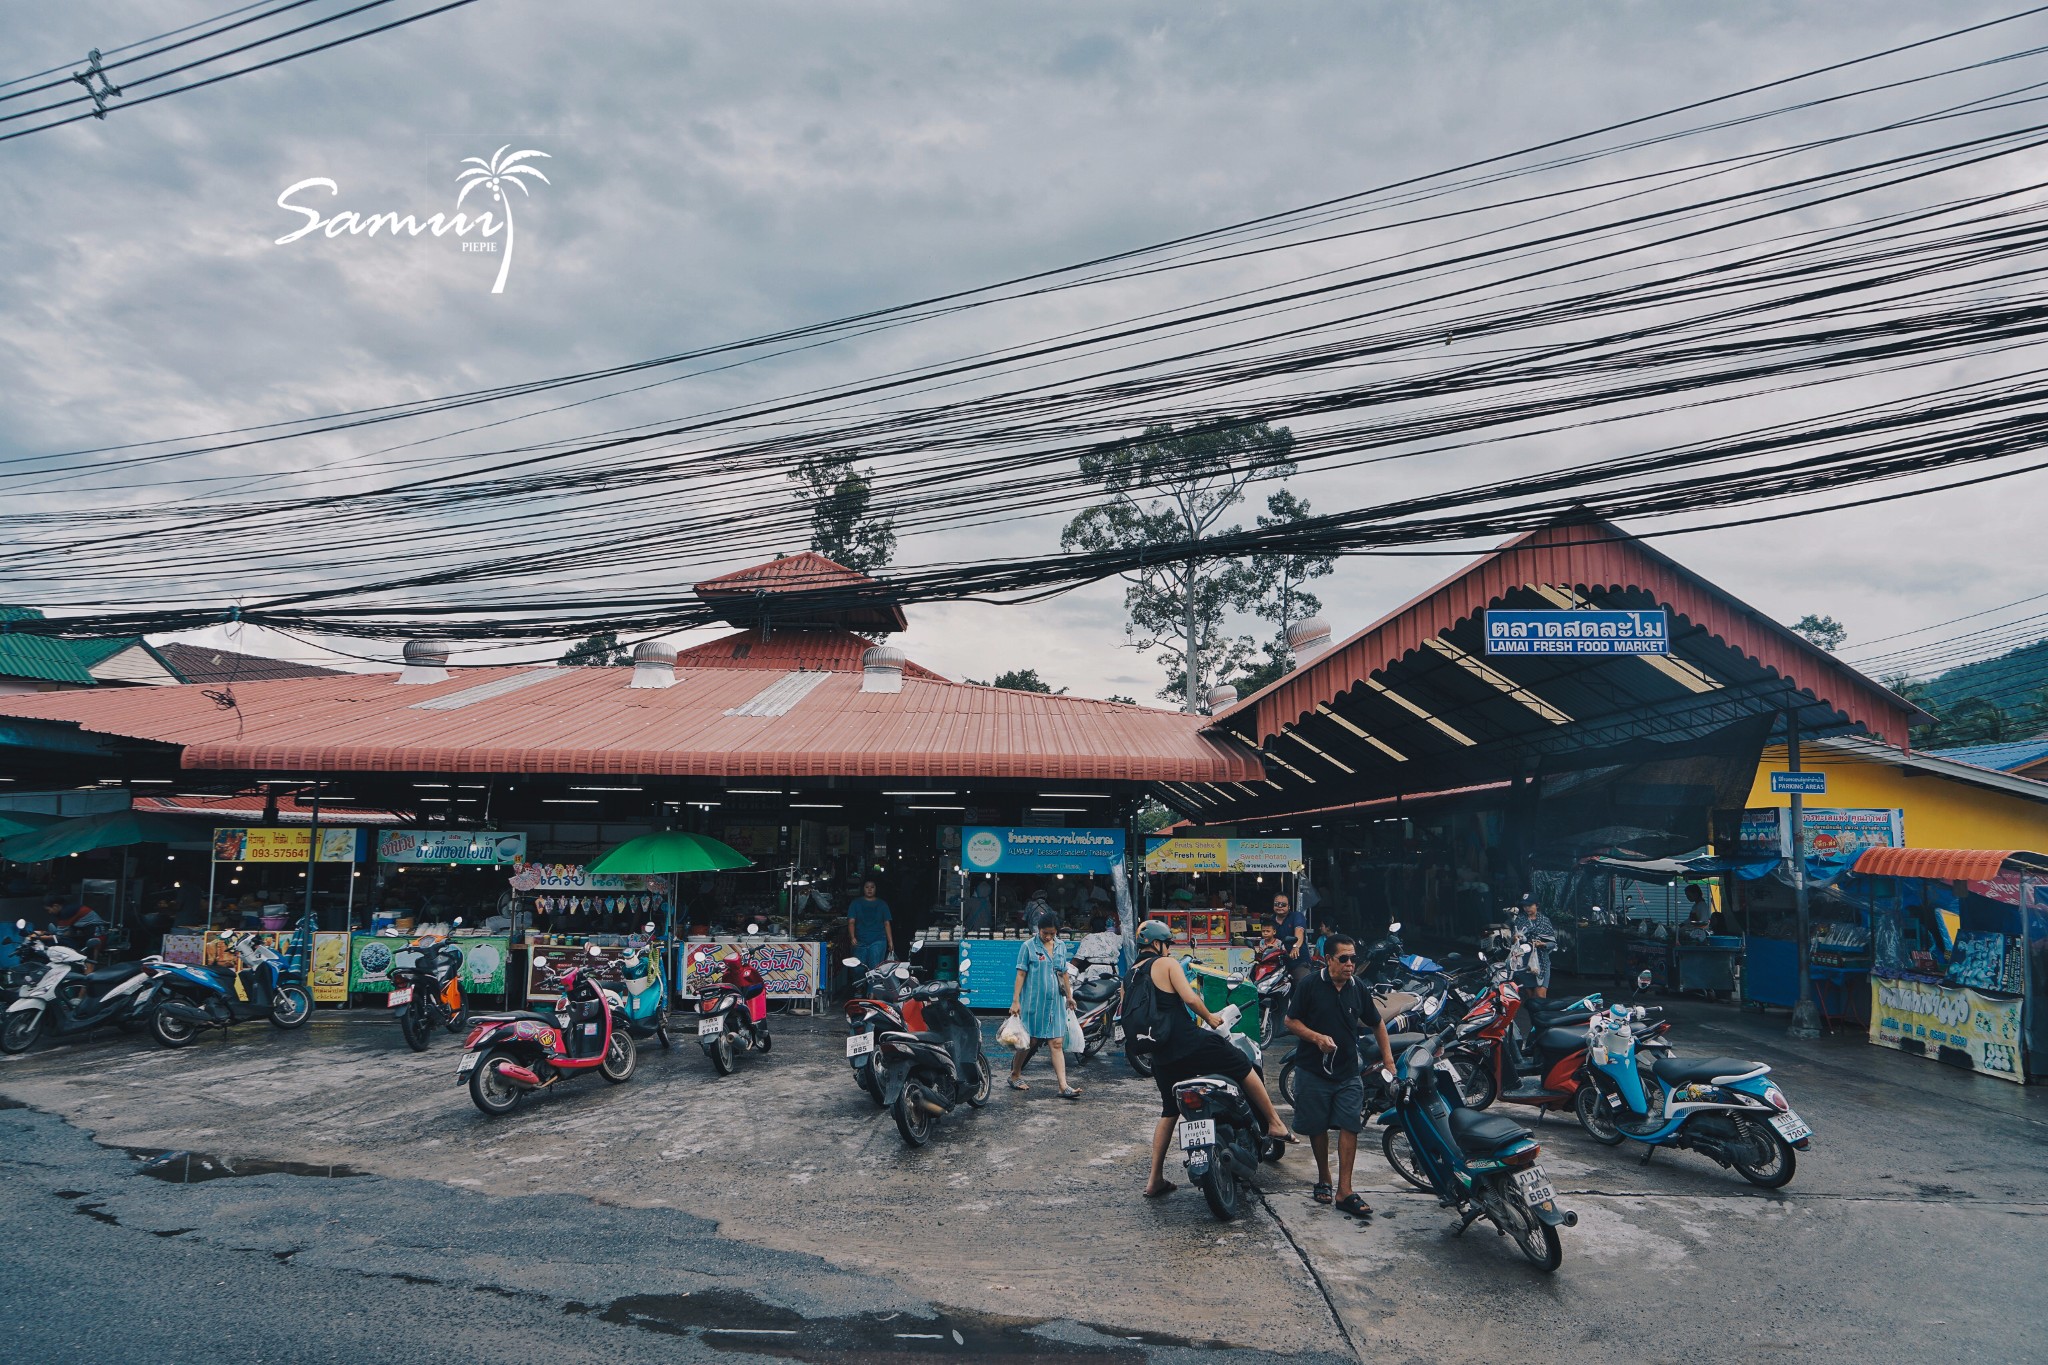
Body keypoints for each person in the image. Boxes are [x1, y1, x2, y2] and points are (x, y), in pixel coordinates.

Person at [1135, 919, 1292, 1198]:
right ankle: (1275, 1122)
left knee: (1170, 1110)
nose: (1169, 949)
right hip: (1188, 1041)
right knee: (1242, 1065)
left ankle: (1154, 1179)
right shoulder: (1167, 964)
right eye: (1167, 944)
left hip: (1159, 1054)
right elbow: (1190, 999)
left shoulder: (1131, 974)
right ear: (1158, 944)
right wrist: (1211, 1017)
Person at [1284, 932, 1392, 1220]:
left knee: (1350, 1125)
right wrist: (1316, 1037)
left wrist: (1389, 1062)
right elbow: (1290, 1020)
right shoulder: (1309, 985)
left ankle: (1345, 1191)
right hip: (1312, 1069)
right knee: (1317, 1126)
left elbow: (1377, 1024)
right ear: (1328, 959)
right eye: (1343, 959)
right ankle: (1324, 1178)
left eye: (1353, 958)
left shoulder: (1358, 988)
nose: (1349, 964)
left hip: (1347, 1071)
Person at [1009, 912, 1081, 1098]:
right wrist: (1015, 1001)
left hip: (1055, 1002)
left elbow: (1063, 973)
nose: (1048, 936)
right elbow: (1021, 974)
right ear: (1038, 930)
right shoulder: (1028, 947)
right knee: (1030, 1042)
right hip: (1033, 1003)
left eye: (1052, 933)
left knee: (1056, 1043)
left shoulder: (1061, 946)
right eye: (1045, 933)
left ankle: (1063, 1086)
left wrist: (1069, 996)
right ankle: (1015, 1074)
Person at [1516, 893, 1556, 998]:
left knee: (1540, 995)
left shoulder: (1544, 921)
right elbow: (1513, 941)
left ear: (1537, 905)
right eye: (1525, 906)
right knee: (1530, 997)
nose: (1527, 908)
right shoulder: (1520, 920)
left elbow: (1552, 943)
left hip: (1542, 962)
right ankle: (1534, 1015)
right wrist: (1516, 938)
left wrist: (1542, 944)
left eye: (1530, 905)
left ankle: (1543, 1014)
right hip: (1525, 962)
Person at [849, 879, 893, 970]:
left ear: (876, 889)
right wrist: (852, 937)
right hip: (860, 941)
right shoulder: (855, 903)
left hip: (878, 941)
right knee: (858, 970)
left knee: (875, 970)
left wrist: (890, 942)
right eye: (867, 887)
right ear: (863, 889)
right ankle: (862, 984)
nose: (869, 889)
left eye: (872, 887)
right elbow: (851, 922)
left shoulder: (882, 904)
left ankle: (873, 985)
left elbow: (887, 923)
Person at [1274, 892, 1309, 980]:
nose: (1280, 906)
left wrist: (1295, 947)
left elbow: (1299, 931)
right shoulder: (1271, 920)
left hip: (1298, 962)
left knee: (1303, 986)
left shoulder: (1296, 916)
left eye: (1283, 904)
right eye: (1277, 904)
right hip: (1277, 964)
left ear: (1289, 906)